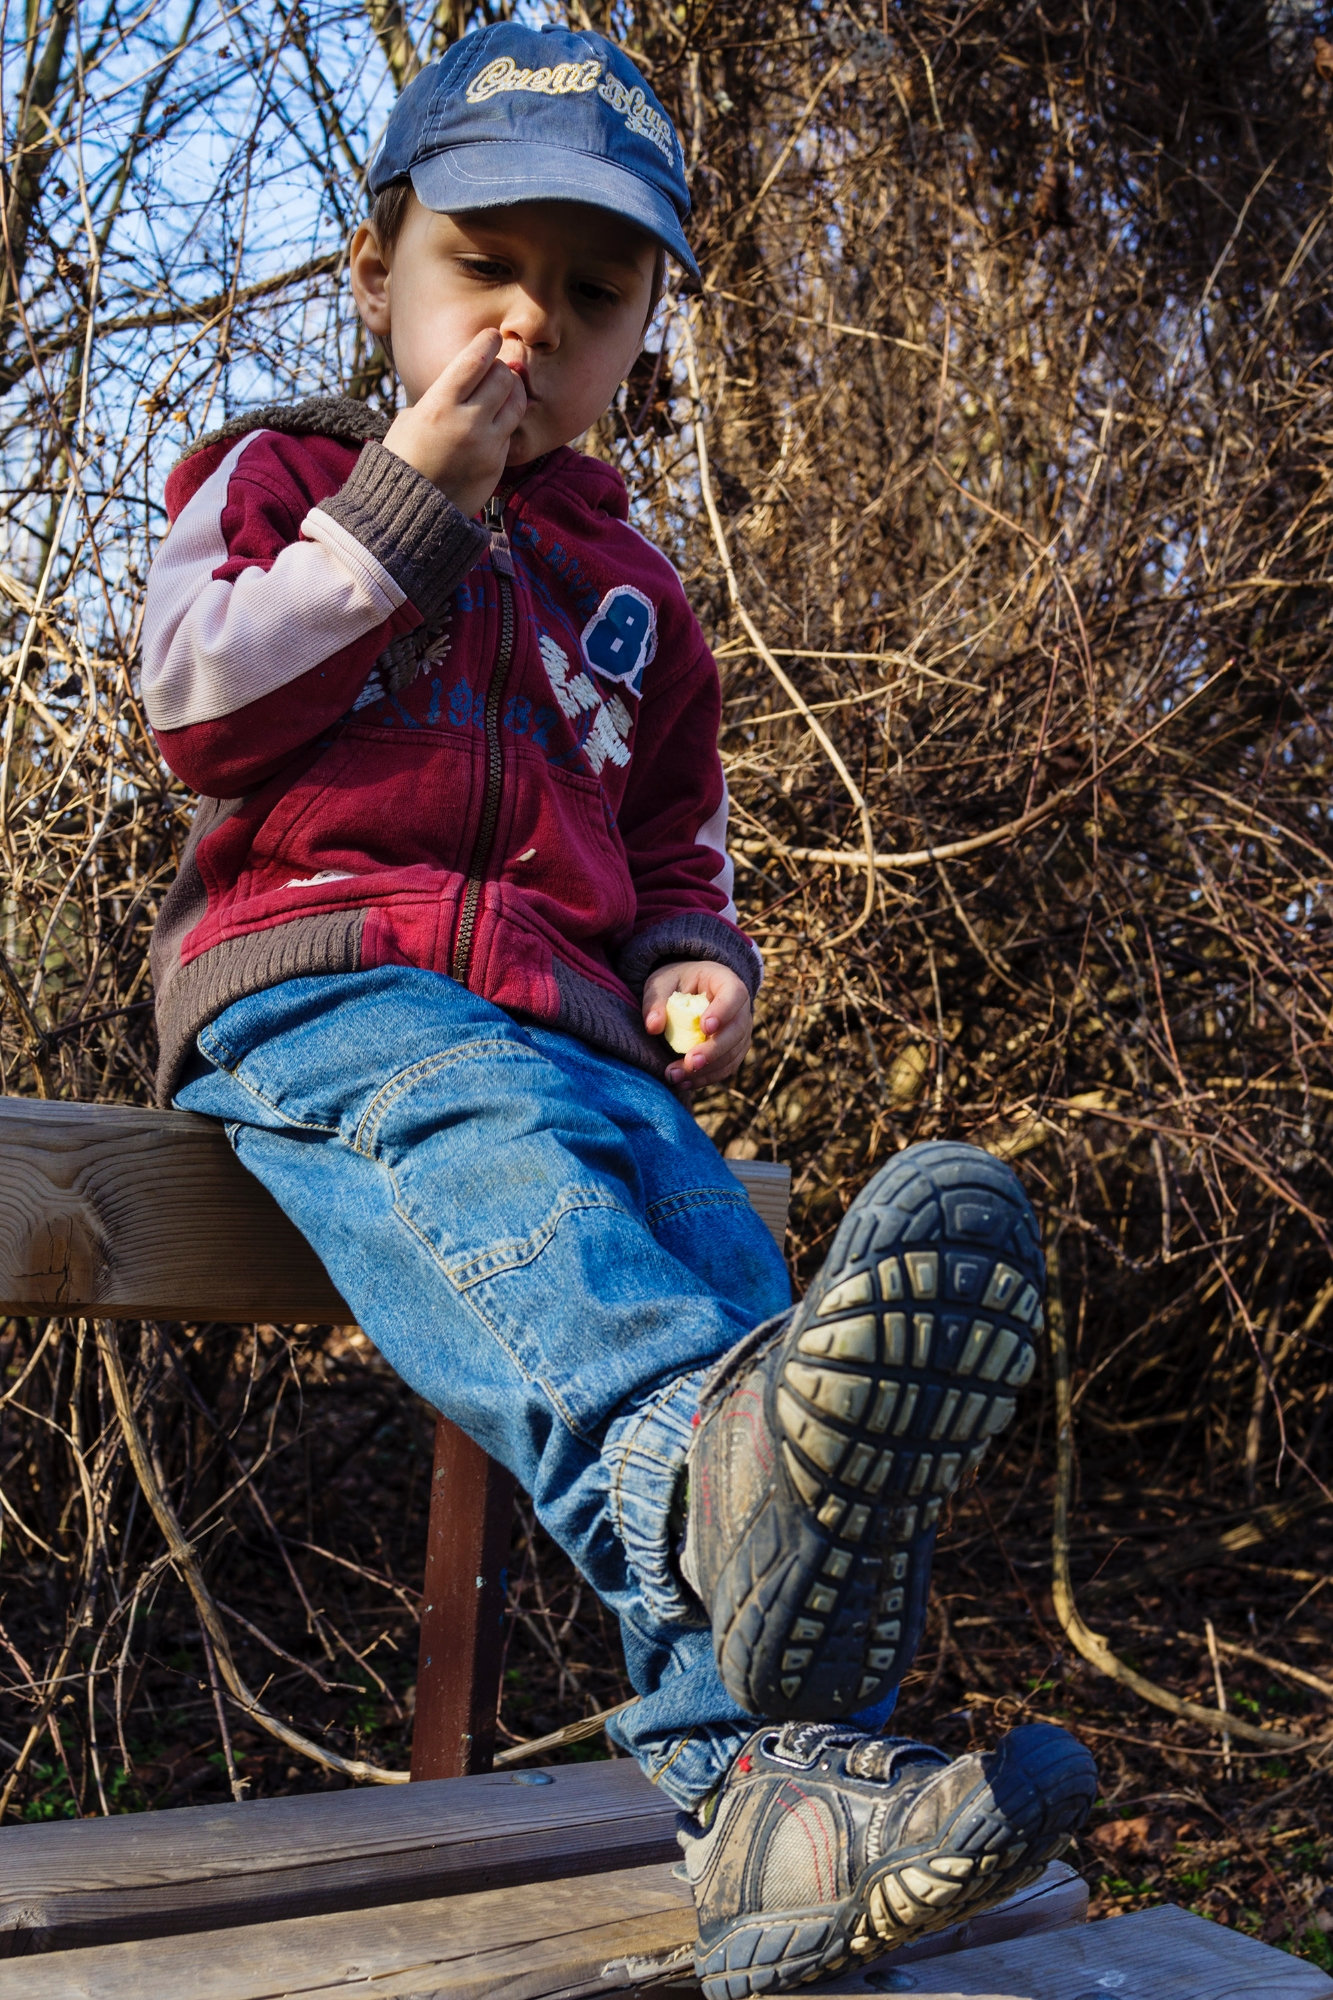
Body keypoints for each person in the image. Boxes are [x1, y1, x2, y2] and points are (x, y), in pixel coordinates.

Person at [140, 21, 1095, 1993]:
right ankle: (711, 1497)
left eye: (589, 295)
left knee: (732, 1279)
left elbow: (676, 841)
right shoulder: (285, 476)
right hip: (333, 993)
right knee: (530, 1201)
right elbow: (201, 707)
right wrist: (402, 505)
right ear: (377, 269)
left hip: (575, 1036)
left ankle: (772, 1811)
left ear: (642, 329)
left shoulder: (634, 588)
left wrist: (691, 960)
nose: (530, 323)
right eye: (484, 266)